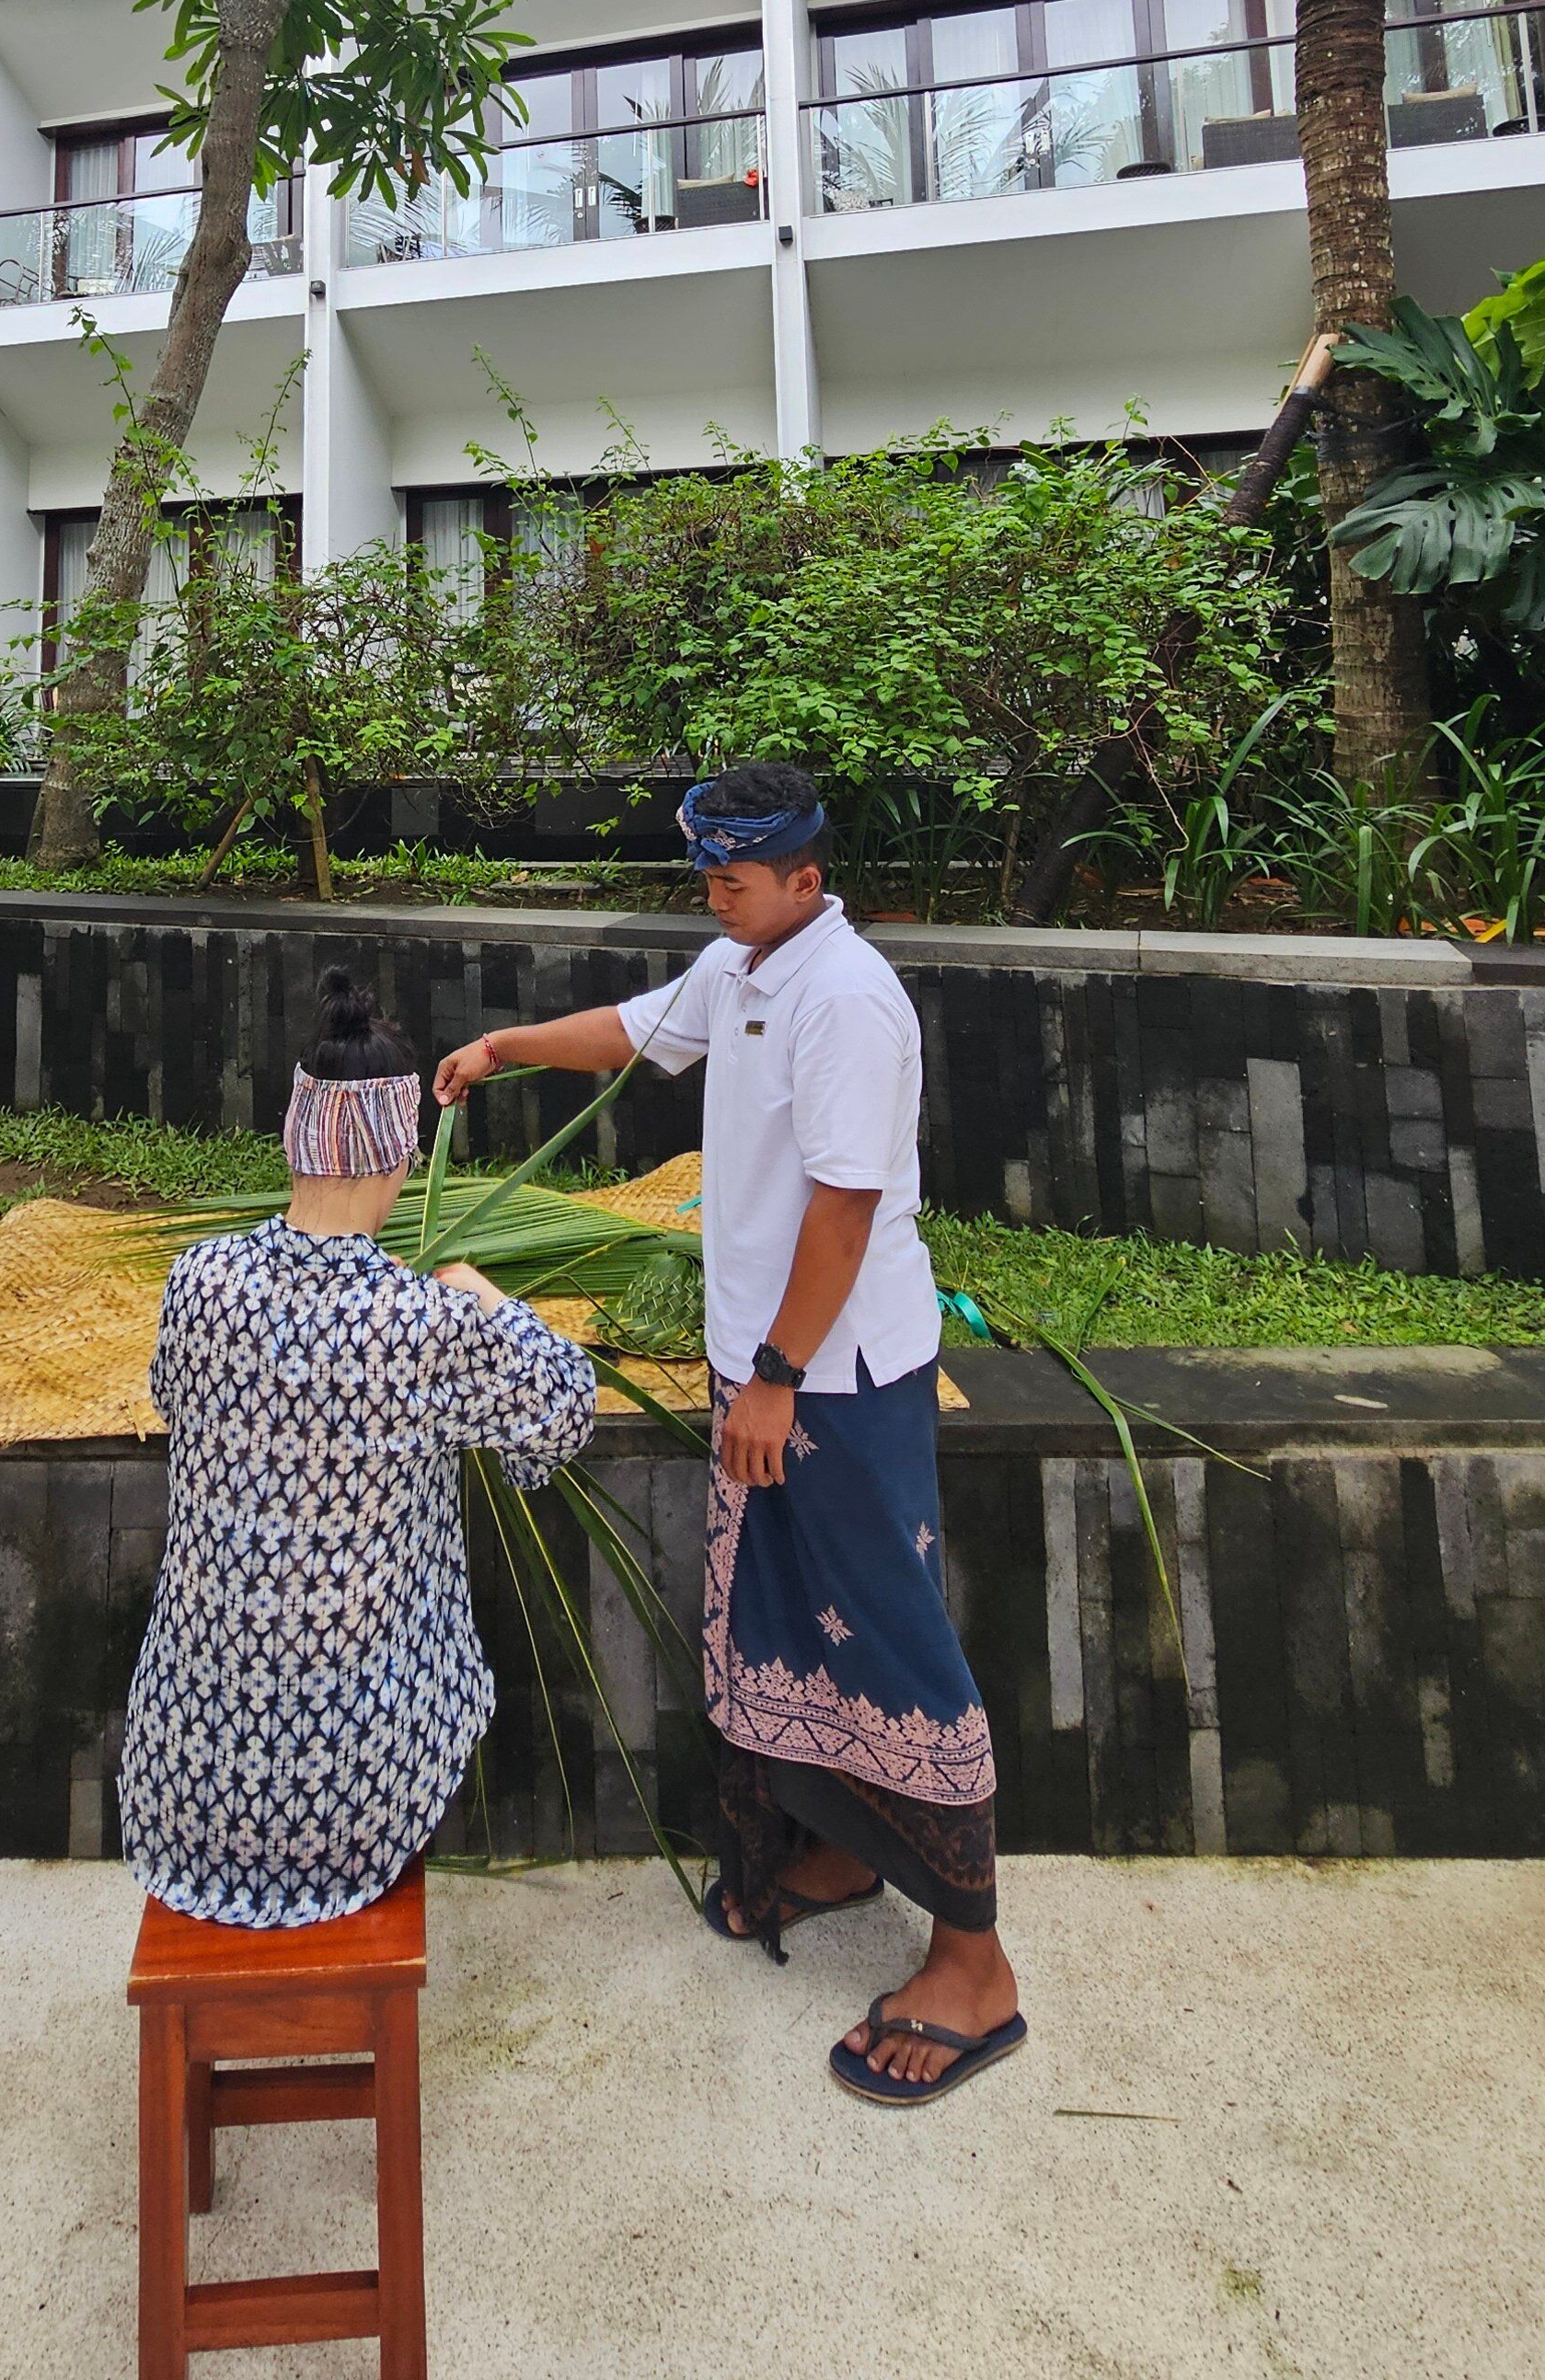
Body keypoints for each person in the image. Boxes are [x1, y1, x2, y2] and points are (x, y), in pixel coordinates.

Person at [432, 762, 1023, 2109]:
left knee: (888, 1638)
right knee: (778, 1617)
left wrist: (773, 1379)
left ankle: (975, 1965)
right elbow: (639, 1033)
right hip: (765, 1362)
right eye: (707, 878)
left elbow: (845, 1210)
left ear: (808, 879)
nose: (717, 896)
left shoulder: (849, 1001)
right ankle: (838, 1851)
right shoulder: (740, 964)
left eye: (737, 879)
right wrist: (503, 1048)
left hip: (836, 1377)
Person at [120, 967, 600, 1929]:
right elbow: (565, 1407)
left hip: (182, 1777)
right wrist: (486, 1298)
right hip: (349, 1794)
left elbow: (174, 1399)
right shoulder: (420, 1319)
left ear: (295, 1138)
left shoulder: (199, 1280)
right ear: (401, 1156)